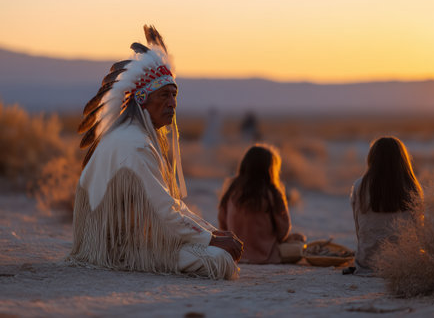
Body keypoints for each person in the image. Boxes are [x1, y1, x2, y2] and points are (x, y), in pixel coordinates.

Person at [68, 25, 243, 280]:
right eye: (164, 95)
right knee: (219, 260)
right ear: (142, 100)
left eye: (174, 95)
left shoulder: (131, 136)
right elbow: (164, 212)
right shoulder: (135, 146)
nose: (172, 102)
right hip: (118, 251)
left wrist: (212, 233)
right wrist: (210, 240)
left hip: (115, 243)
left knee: (214, 249)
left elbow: (166, 205)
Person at [218, 144, 306, 264]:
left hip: (233, 252)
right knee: (300, 242)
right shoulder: (272, 192)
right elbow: (283, 231)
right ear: (270, 169)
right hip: (266, 255)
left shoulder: (232, 188)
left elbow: (222, 224)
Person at [348, 136, 423, 276]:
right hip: (405, 265)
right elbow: (418, 231)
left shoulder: (360, 186)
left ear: (372, 158)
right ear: (403, 160)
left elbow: (360, 229)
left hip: (368, 264)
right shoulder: (413, 188)